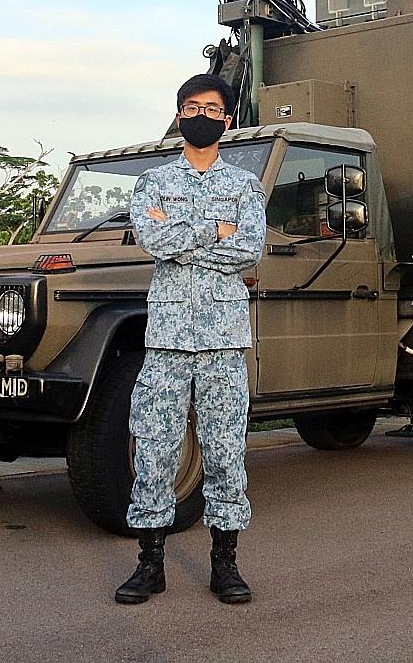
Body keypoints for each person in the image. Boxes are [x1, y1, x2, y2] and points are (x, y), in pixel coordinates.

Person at [114, 73, 267, 606]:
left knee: (226, 451)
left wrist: (186, 234)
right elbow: (153, 240)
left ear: (227, 120)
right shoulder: (151, 183)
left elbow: (247, 252)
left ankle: (225, 564)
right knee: (155, 449)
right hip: (167, 342)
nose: (200, 114)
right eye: (191, 106)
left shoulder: (245, 187)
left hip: (223, 340)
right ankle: (149, 564)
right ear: (179, 116)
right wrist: (215, 231)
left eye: (211, 107)